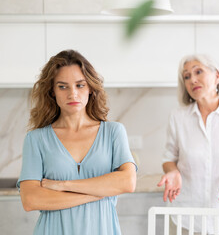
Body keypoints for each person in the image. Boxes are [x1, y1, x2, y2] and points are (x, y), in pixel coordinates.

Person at [17, 49, 137, 235]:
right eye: (63, 86)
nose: (72, 94)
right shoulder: (36, 139)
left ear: (90, 88)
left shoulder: (113, 132)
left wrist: (63, 185)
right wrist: (99, 191)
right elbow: (30, 199)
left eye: (80, 85)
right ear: (52, 92)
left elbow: (127, 182)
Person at [157, 54, 219, 235]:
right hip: (186, 219)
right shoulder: (178, 118)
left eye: (198, 72)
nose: (192, 80)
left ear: (217, 77)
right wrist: (172, 171)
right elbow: (168, 158)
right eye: (186, 76)